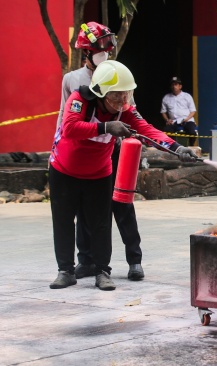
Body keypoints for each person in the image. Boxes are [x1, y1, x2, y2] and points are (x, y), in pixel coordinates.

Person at [49, 60, 198, 291]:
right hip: (64, 171)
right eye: (116, 96)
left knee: (101, 223)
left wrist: (177, 148)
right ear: (101, 92)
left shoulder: (124, 110)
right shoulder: (78, 100)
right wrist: (106, 128)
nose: (122, 101)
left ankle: (102, 271)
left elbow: (148, 130)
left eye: (125, 95)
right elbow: (69, 128)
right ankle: (65, 271)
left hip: (99, 173)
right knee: (63, 221)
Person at [55, 22, 146, 282]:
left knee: (122, 204)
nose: (105, 57)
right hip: (84, 151)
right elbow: (65, 118)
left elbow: (131, 111)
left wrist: (136, 147)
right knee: (87, 209)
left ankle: (134, 259)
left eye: (107, 52)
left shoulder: (117, 72)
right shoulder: (72, 80)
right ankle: (87, 261)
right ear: (86, 53)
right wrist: (58, 147)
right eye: (99, 52)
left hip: (114, 149)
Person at [161, 77, 198, 146]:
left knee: (192, 132)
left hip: (187, 120)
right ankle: (173, 147)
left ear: (180, 86)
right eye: (172, 85)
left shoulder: (187, 96)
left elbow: (193, 111)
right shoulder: (166, 97)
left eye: (176, 84)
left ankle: (191, 146)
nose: (174, 86)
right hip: (174, 121)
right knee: (167, 131)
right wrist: (167, 120)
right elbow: (163, 111)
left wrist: (187, 119)